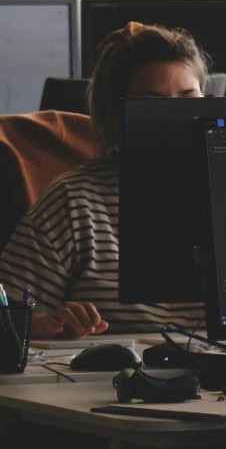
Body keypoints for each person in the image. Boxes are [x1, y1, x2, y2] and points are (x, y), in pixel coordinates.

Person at [0, 22, 209, 339]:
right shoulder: (74, 200)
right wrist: (44, 323)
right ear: (115, 115)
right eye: (153, 102)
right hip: (117, 380)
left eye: (188, 97)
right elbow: (7, 317)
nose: (175, 115)